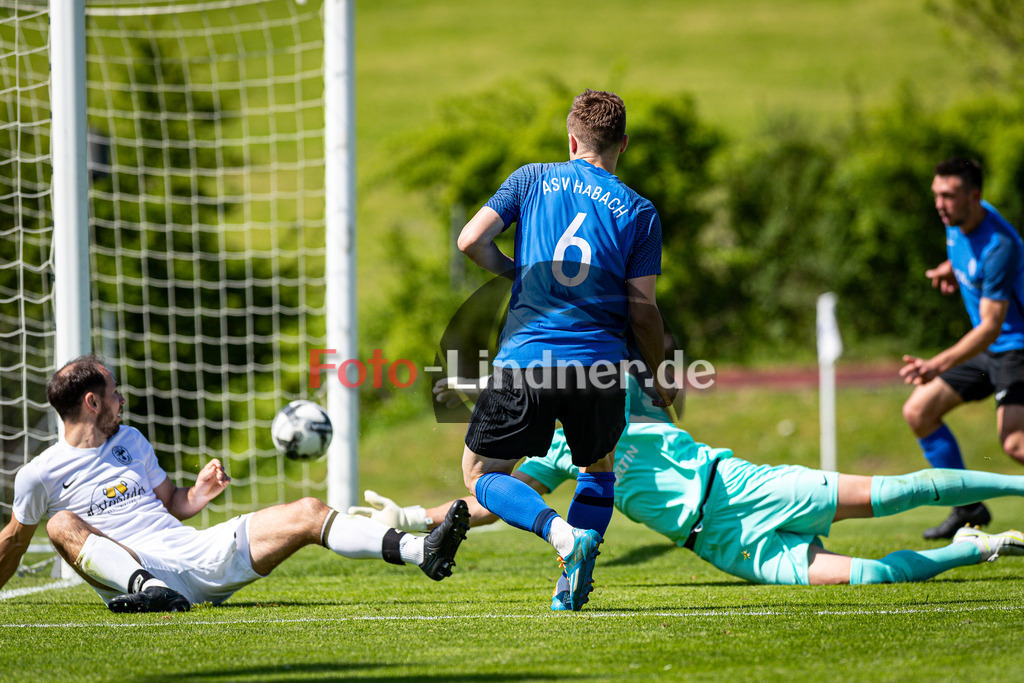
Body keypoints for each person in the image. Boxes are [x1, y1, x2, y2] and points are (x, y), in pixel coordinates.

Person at [351, 375, 1024, 607]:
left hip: (743, 487)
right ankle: (980, 544)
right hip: (719, 543)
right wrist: (414, 513)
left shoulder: (616, 389)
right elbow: (496, 498)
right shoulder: (556, 452)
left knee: (900, 492)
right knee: (874, 578)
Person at [0, 355, 470, 613]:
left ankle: (421, 550)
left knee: (307, 510)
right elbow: (12, 543)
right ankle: (147, 592)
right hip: (131, 574)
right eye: (114, 392)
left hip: (191, 555)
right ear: (92, 402)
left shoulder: (132, 440)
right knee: (60, 522)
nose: (121, 399)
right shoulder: (39, 474)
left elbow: (173, 504)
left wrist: (198, 493)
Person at [455, 89, 675, 610]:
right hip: (599, 364)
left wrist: (519, 274)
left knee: (481, 475)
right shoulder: (641, 213)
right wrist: (659, 376)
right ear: (622, 143)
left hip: (527, 358)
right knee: (598, 469)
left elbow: (470, 241)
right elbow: (642, 310)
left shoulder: (531, 178)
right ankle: (569, 587)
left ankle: (560, 536)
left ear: (571, 139)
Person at [901, 157, 1024, 539]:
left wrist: (936, 365)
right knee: (919, 411)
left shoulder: (1000, 244)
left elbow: (990, 327)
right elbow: (968, 255)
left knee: (1016, 442)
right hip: (990, 350)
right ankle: (968, 508)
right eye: (937, 194)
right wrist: (949, 268)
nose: (940, 203)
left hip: (1016, 348)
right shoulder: (957, 223)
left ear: (975, 197)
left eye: (950, 196)